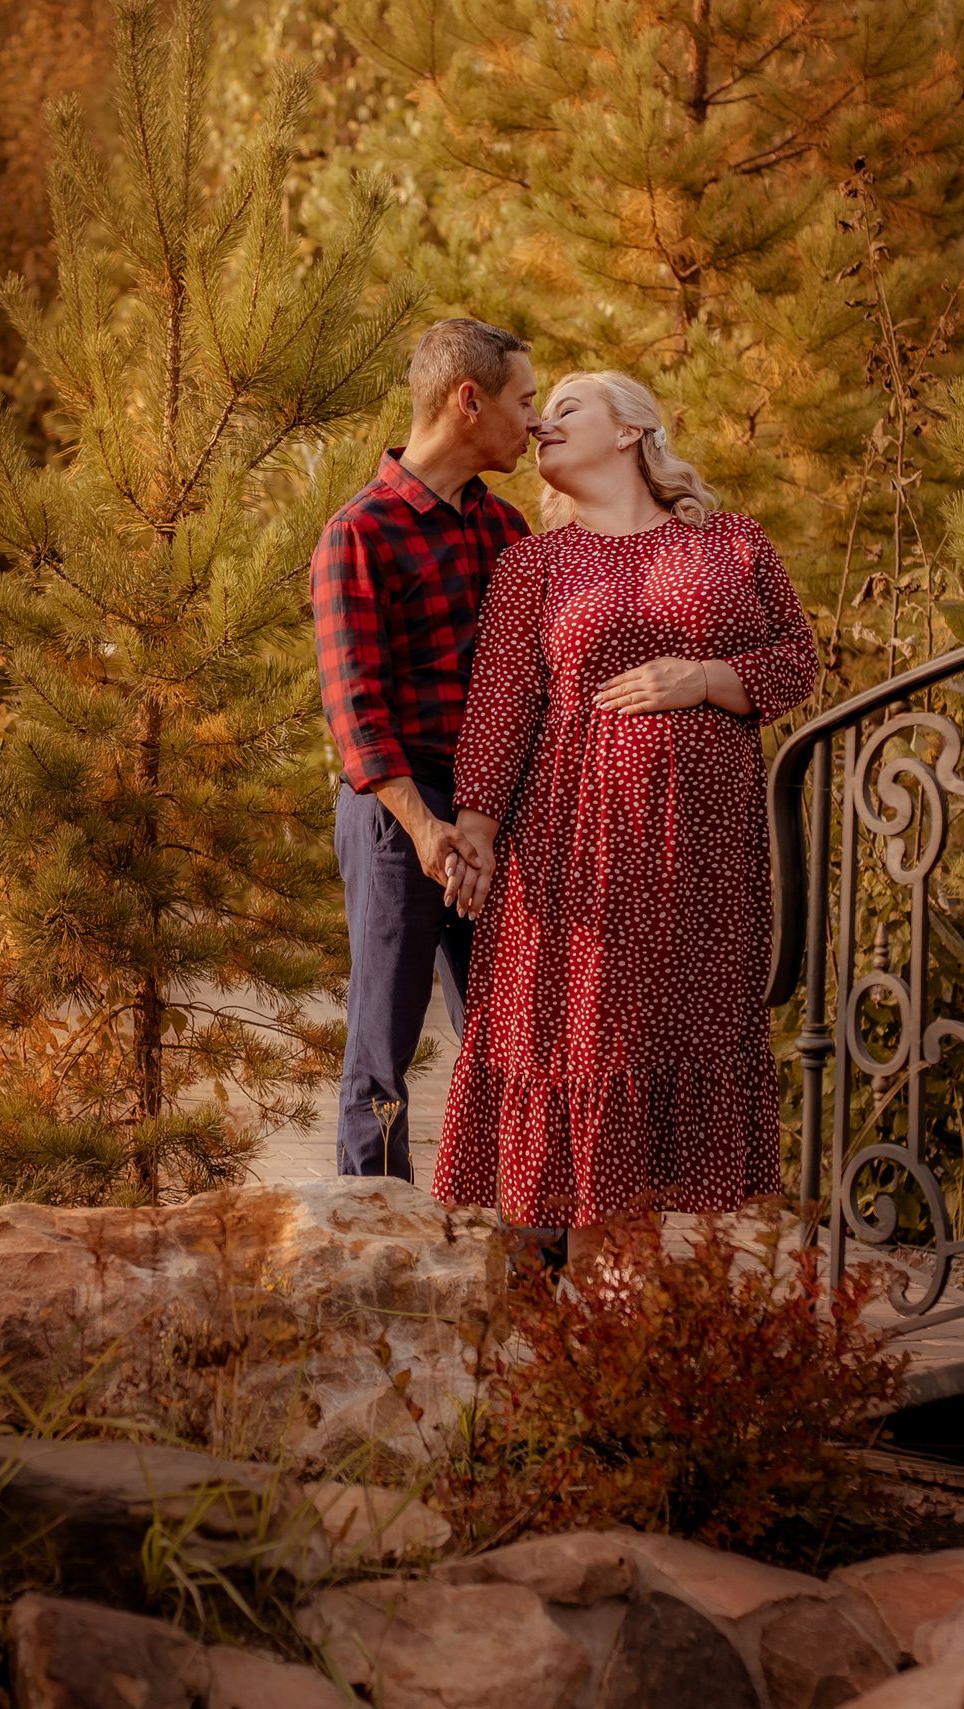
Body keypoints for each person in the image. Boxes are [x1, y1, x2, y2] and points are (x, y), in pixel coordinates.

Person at [433, 370, 818, 1239]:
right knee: (594, 1040)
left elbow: (798, 659)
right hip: (578, 842)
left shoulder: (732, 543)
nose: (542, 426)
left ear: (632, 431)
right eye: (543, 414)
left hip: (706, 852)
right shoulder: (535, 561)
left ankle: (686, 1317)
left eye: (566, 409)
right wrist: (478, 833)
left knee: (699, 1038)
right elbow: (502, 703)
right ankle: (609, 1304)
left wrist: (709, 679)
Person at [309, 319, 537, 1180]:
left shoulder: (506, 531)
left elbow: (529, 682)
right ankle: (371, 1249)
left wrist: (476, 824)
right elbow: (357, 712)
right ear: (467, 400)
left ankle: (532, 1250)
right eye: (524, 401)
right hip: (394, 813)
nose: (534, 421)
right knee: (382, 1050)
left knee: (510, 1033)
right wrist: (426, 828)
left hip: (489, 816)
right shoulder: (357, 535)